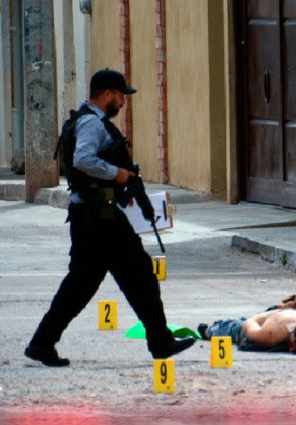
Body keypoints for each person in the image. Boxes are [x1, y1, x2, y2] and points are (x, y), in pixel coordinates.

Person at [25, 69, 195, 366]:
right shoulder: (92, 123)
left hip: (92, 212)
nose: (122, 103)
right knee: (140, 276)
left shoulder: (86, 120)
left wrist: (119, 189)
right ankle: (160, 342)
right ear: (107, 94)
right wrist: (117, 174)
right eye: (119, 96)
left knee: (80, 285)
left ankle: (42, 343)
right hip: (98, 216)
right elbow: (83, 160)